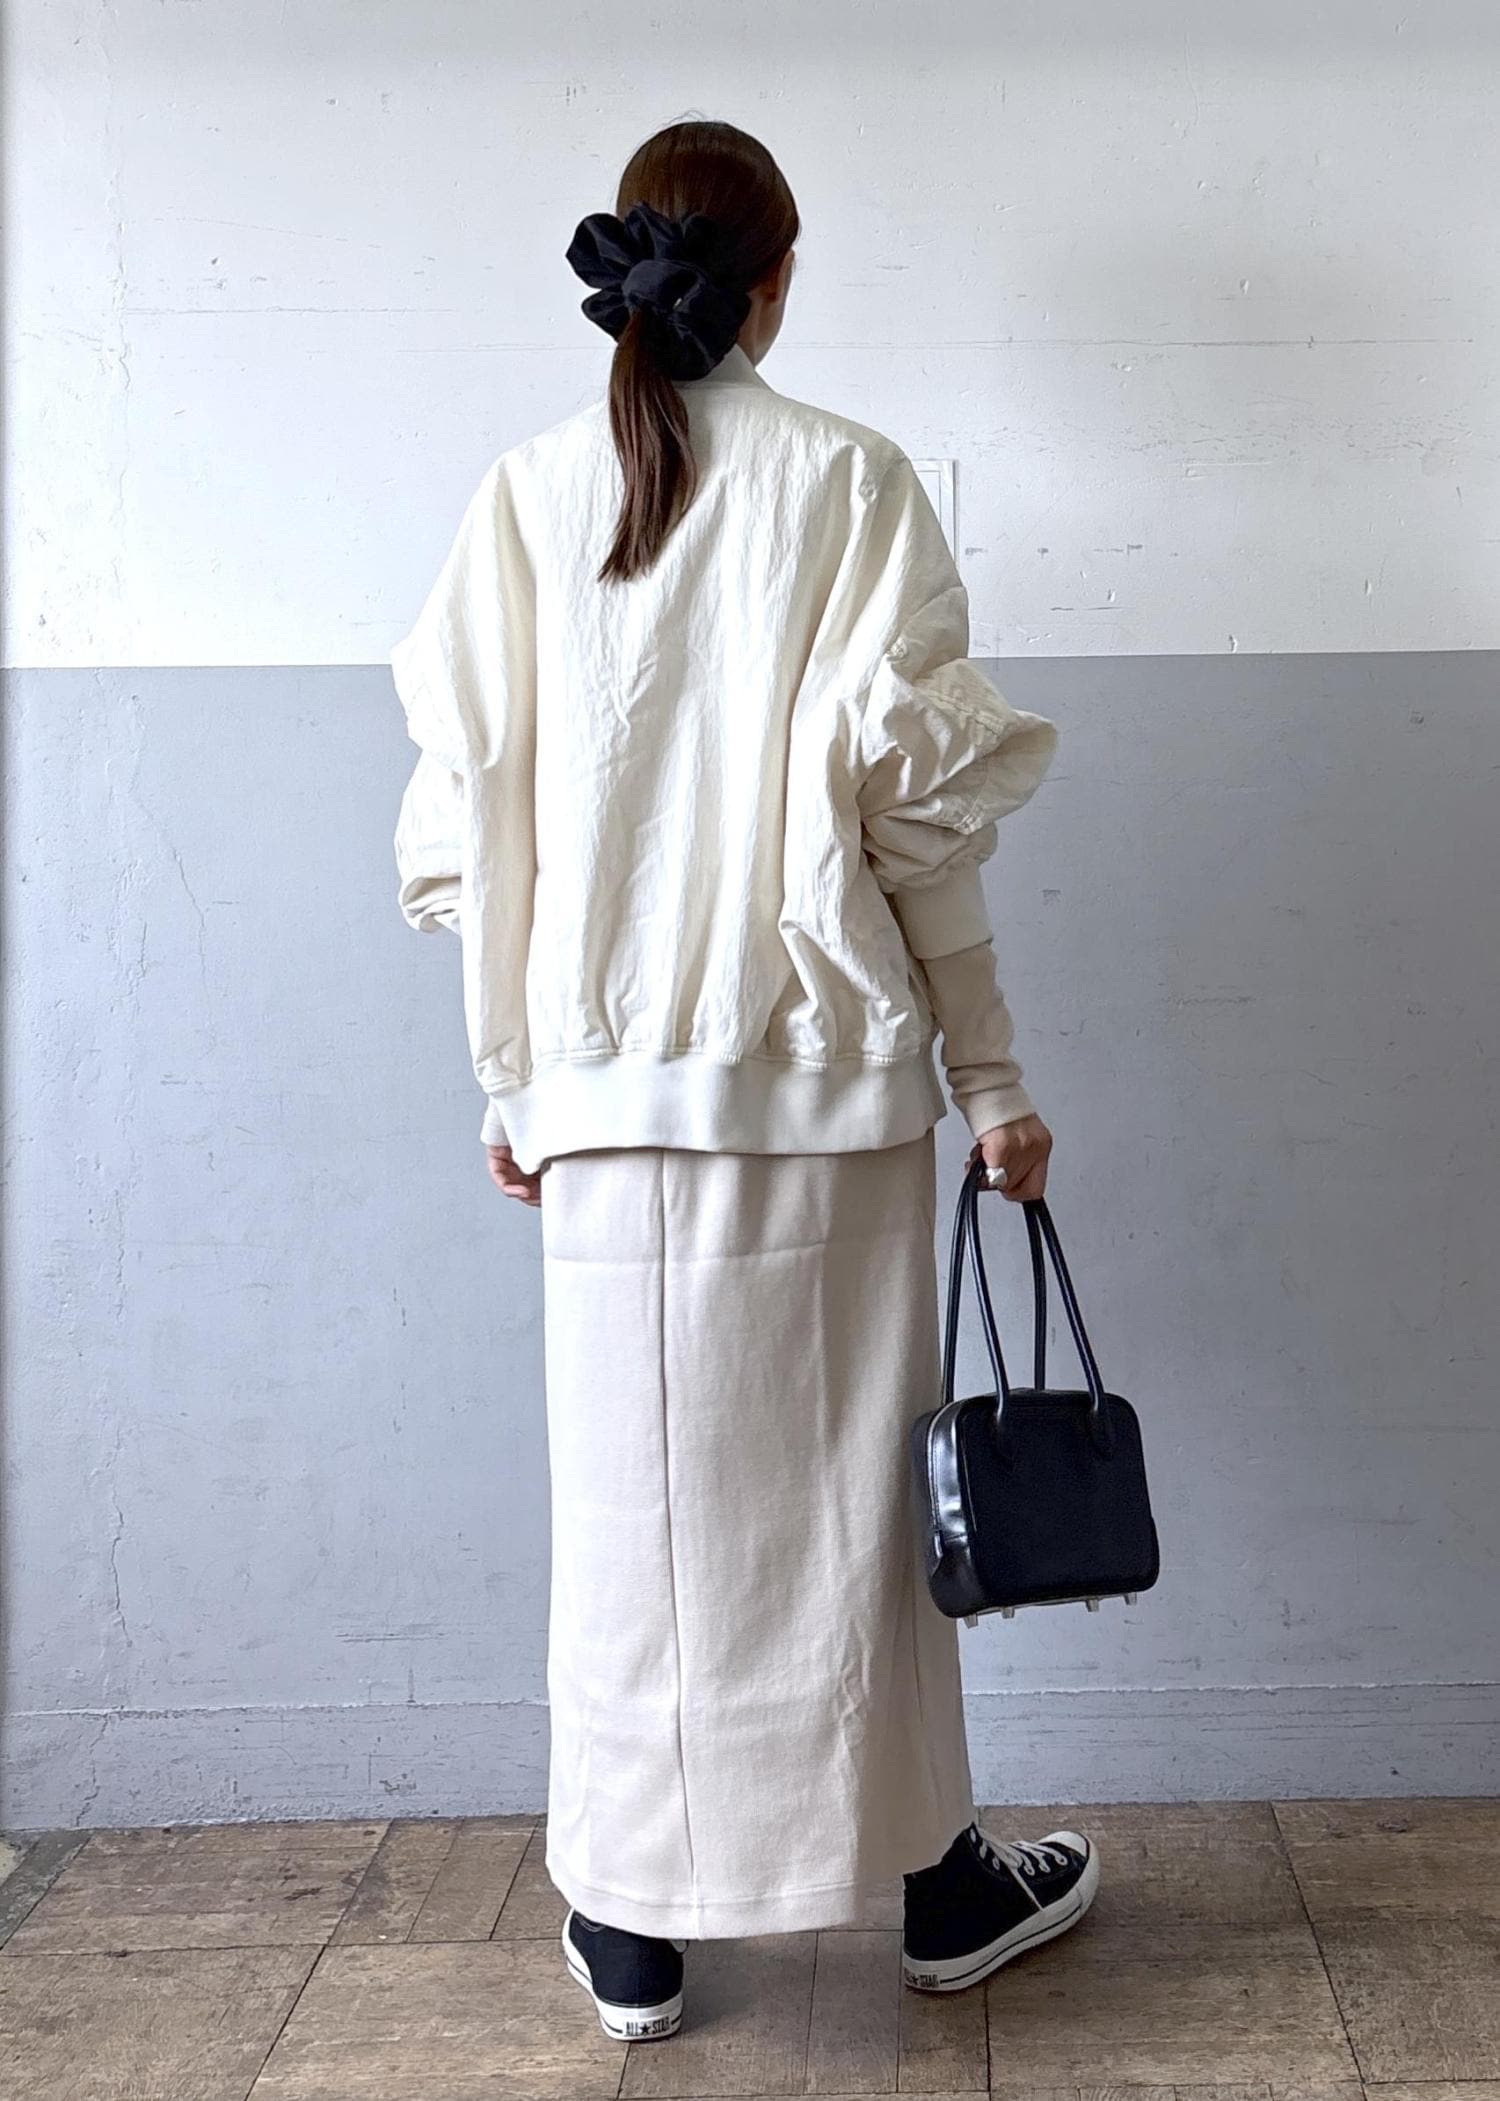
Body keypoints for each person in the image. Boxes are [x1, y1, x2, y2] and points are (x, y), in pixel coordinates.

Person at [391, 117, 1098, 2044]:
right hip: (826, 1092)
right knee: (854, 1521)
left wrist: (514, 1088)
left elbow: (472, 826)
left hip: (603, 1108)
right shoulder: (853, 483)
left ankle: (631, 1926)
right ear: (778, 279)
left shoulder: (526, 494)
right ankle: (936, 1886)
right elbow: (915, 826)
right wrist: (993, 1074)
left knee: (633, 1521)